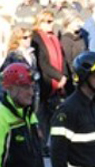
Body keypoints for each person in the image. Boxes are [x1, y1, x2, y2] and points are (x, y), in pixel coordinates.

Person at [32, 9, 68, 150]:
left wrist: (63, 76)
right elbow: (43, 62)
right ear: (39, 22)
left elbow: (61, 58)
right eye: (47, 22)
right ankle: (41, 145)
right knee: (42, 117)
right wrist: (59, 77)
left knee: (53, 117)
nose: (51, 25)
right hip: (45, 82)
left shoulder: (53, 37)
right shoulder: (36, 38)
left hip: (56, 83)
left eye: (52, 21)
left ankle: (48, 144)